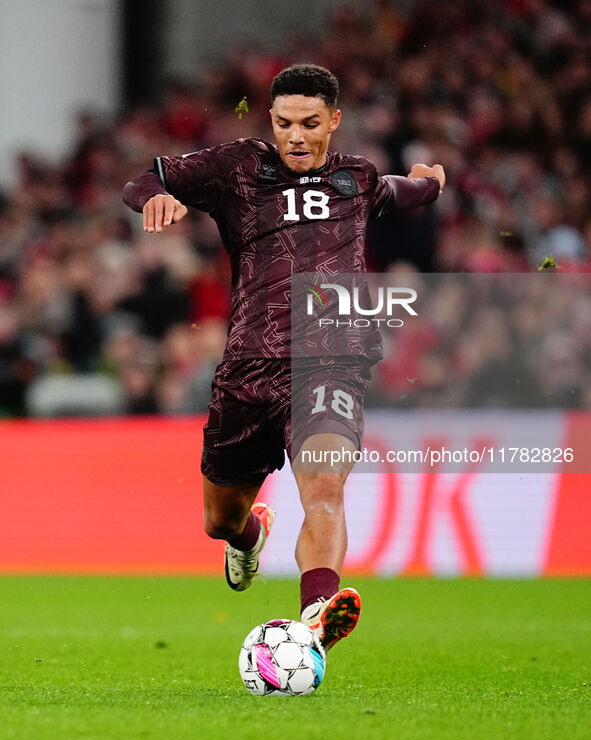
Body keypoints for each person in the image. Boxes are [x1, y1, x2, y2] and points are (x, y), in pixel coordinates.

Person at [123, 64, 444, 652]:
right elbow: (142, 181)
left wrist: (432, 180)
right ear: (271, 120)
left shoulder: (358, 178)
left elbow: (406, 191)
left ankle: (316, 614)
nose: (295, 136)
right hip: (249, 366)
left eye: (310, 124)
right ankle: (248, 539)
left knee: (324, 487)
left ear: (335, 122)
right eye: (284, 123)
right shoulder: (239, 166)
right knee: (220, 519)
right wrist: (157, 197)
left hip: (332, 361)